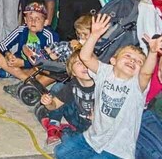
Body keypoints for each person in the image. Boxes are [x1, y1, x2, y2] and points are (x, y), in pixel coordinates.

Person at [53, 14, 158, 159]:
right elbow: (85, 57)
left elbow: (146, 74)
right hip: (92, 138)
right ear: (113, 60)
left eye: (138, 61)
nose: (132, 61)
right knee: (61, 153)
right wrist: (94, 35)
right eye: (127, 56)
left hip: (118, 149)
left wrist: (152, 52)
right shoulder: (104, 71)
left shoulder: (137, 85)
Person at [0, 3, 59, 92]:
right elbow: (2, 45)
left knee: (48, 72)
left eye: (38, 19)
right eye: (30, 18)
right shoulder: (21, 30)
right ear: (25, 20)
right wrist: (8, 54)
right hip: (19, 61)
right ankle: (26, 78)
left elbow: (49, 61)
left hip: (36, 68)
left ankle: (15, 74)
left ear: (45, 22)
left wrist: (23, 63)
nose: (33, 22)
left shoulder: (50, 35)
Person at [36, 50, 95, 146]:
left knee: (70, 142)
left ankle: (65, 130)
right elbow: (55, 105)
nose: (85, 66)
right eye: (79, 63)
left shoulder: (103, 84)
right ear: (73, 72)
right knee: (59, 87)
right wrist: (49, 103)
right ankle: (53, 125)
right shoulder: (72, 85)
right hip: (77, 117)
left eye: (88, 62)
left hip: (95, 125)